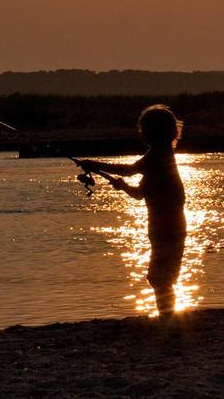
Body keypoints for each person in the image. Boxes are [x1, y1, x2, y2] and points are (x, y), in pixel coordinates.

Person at [78, 104, 186, 316]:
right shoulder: (160, 159)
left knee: (159, 278)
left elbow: (129, 170)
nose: (141, 133)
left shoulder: (158, 155)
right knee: (160, 278)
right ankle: (168, 315)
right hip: (162, 228)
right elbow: (139, 194)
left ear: (153, 132)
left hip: (168, 229)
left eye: (144, 129)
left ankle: (168, 317)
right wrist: (123, 187)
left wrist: (93, 164)